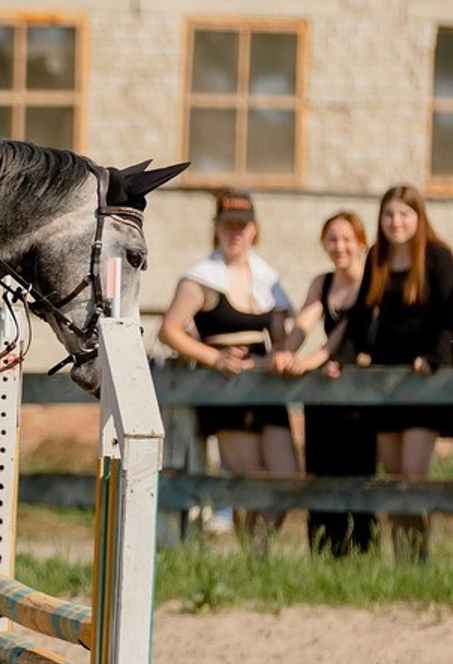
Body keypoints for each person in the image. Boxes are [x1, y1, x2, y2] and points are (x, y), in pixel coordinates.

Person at [159, 189, 298, 552]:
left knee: (287, 476)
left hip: (266, 386)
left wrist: (275, 358)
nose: (235, 232)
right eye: (228, 225)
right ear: (217, 228)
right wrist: (214, 357)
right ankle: (254, 558)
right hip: (226, 386)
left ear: (255, 229)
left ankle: (258, 549)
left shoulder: (269, 281)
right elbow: (170, 329)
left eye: (243, 225)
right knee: (246, 476)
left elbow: (282, 339)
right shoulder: (201, 278)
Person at [337, 184, 453, 562]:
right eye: (389, 215)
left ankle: (419, 559)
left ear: (418, 217)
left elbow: (449, 316)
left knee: (413, 476)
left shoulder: (437, 257)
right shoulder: (377, 256)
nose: (396, 222)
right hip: (385, 381)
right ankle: (403, 559)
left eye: (404, 214)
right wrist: (347, 358)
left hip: (422, 379)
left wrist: (434, 357)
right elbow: (359, 318)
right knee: (392, 477)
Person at [272, 211, 377, 555]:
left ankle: (363, 555)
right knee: (320, 471)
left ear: (361, 243)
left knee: (360, 475)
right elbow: (305, 321)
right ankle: (324, 554)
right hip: (327, 391)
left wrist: (310, 361)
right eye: (332, 239)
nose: (339, 246)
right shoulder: (323, 282)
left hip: (362, 394)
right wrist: (284, 353)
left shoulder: (372, 282)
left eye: (347, 238)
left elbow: (344, 336)